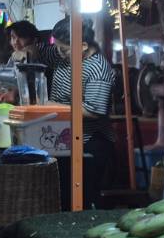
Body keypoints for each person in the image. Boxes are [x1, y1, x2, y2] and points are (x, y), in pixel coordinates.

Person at [50, 17, 116, 207]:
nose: (60, 54)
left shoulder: (98, 68)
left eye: (64, 50)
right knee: (63, 195)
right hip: (65, 139)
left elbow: (93, 111)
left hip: (91, 143)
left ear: (83, 45)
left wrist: (53, 107)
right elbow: (38, 51)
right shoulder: (65, 56)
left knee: (83, 197)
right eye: (58, 48)